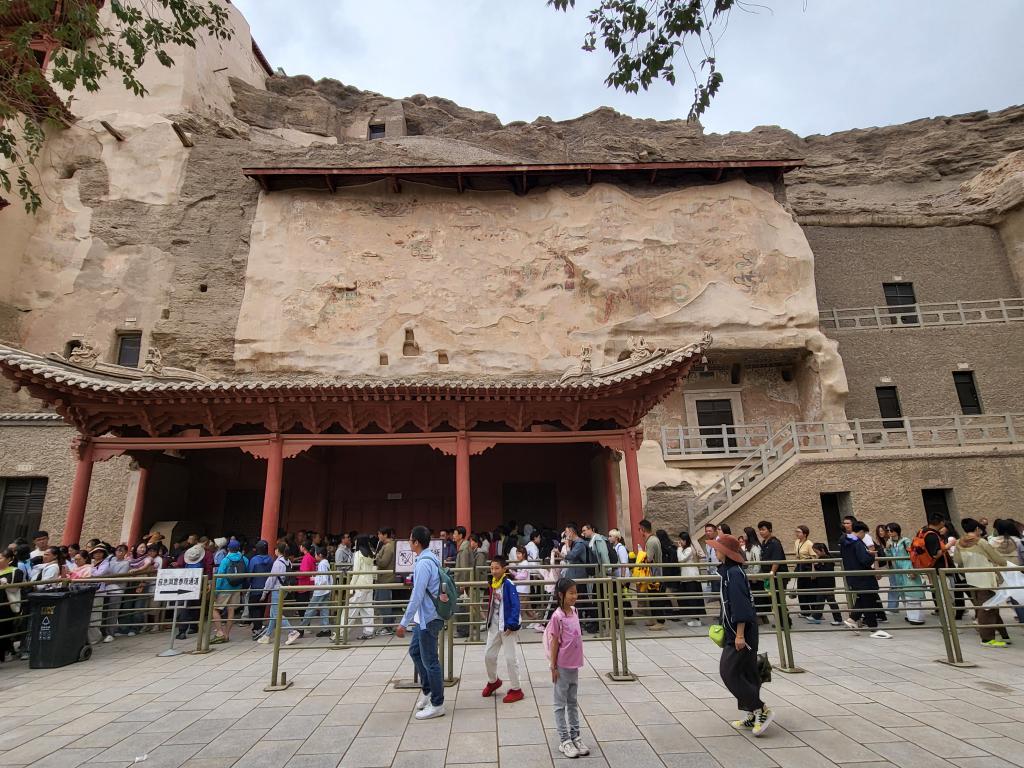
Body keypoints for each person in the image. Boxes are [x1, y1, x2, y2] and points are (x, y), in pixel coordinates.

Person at [708, 534, 774, 737]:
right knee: (745, 672)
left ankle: (760, 709)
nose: (715, 551)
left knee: (729, 672)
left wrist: (739, 635)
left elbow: (741, 606)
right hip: (735, 630)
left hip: (742, 632)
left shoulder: (734, 574)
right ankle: (752, 712)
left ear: (726, 553)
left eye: (718, 548)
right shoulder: (728, 572)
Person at [397, 525, 445, 720]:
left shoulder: (423, 563)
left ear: (416, 542)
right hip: (424, 617)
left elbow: (417, 596)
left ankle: (437, 703)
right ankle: (428, 690)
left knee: (430, 661)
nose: (409, 542)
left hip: (429, 617)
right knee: (415, 651)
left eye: (410, 539)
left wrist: (403, 622)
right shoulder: (428, 559)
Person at [547, 577, 589, 758]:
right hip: (562, 667)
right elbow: (554, 642)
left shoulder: (574, 611)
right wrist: (553, 666)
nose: (574, 596)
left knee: (572, 702)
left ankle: (575, 736)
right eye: (571, 593)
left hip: (574, 666)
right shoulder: (557, 616)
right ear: (561, 595)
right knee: (559, 704)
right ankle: (564, 740)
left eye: (575, 592)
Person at [954, 517, 1009, 648]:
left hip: (971, 579)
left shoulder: (958, 543)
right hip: (985, 578)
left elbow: (958, 561)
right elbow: (996, 558)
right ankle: (987, 639)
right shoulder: (981, 542)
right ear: (977, 529)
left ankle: (1004, 634)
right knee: (987, 609)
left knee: (990, 606)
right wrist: (1009, 566)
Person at [481, 555, 524, 703]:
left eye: (497, 568)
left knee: (511, 658)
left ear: (504, 569)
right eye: (492, 568)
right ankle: (493, 681)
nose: (493, 571)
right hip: (494, 625)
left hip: (507, 627)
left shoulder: (509, 584)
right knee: (488, 655)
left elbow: (515, 605)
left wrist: (512, 624)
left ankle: (516, 688)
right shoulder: (492, 582)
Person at [841, 522, 890, 639]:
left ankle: (852, 619)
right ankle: (873, 628)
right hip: (863, 576)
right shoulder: (857, 543)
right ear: (861, 531)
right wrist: (871, 555)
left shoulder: (844, 542)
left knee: (864, 598)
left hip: (853, 575)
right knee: (868, 599)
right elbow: (864, 560)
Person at [884, 523, 924, 625]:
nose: (889, 533)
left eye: (891, 531)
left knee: (912, 592)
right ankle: (910, 616)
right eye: (887, 531)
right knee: (904, 593)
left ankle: (917, 618)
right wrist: (887, 548)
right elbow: (889, 556)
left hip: (908, 568)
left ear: (897, 530)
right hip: (898, 571)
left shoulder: (906, 541)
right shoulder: (890, 542)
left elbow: (913, 555)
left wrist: (914, 570)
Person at [291, 545, 332, 642]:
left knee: (310, 609)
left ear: (320, 555)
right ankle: (326, 629)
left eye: (316, 554)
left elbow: (323, 579)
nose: (315, 556)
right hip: (326, 589)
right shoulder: (325, 563)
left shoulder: (322, 564)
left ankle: (301, 628)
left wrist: (315, 580)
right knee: (324, 609)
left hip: (320, 590)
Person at [211, 539, 249, 644]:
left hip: (224, 588)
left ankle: (219, 632)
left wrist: (216, 591)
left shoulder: (226, 560)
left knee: (215, 609)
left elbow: (220, 577)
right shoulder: (244, 559)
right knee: (231, 611)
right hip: (237, 588)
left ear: (228, 549)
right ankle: (227, 634)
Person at [257, 543, 294, 644]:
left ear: (278, 550)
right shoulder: (288, 562)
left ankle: (292, 631)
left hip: (277, 589)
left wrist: (265, 592)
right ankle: (267, 635)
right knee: (274, 614)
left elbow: (272, 578)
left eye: (275, 549)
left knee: (277, 614)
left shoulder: (277, 563)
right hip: (285, 589)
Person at [989, 519, 1024, 624]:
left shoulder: (991, 542)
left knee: (1014, 597)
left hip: (1003, 574)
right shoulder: (1018, 541)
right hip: (1019, 572)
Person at [757, 521, 789, 628]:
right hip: (769, 575)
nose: (761, 532)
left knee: (779, 599)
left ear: (770, 530)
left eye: (764, 529)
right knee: (774, 600)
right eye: (760, 530)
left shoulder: (775, 542)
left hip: (777, 576)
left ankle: (785, 622)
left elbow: (777, 559)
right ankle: (782, 621)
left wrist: (772, 572)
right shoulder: (764, 542)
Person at [346, 535, 377, 641]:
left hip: (360, 584)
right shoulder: (371, 554)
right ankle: (369, 631)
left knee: (352, 609)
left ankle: (342, 632)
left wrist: (350, 587)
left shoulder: (358, 554)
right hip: (369, 584)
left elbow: (356, 572)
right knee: (367, 608)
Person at [639, 519, 667, 630]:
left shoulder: (651, 541)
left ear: (643, 529)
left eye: (639, 530)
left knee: (656, 598)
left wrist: (641, 555)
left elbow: (649, 558)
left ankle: (660, 621)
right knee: (652, 597)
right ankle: (654, 619)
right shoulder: (653, 539)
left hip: (655, 575)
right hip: (654, 574)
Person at [807, 543, 843, 625]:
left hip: (827, 583)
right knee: (820, 600)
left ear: (822, 550)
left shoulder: (826, 559)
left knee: (831, 601)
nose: (816, 554)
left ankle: (838, 619)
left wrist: (816, 564)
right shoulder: (821, 558)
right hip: (823, 583)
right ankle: (816, 616)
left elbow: (826, 570)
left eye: (817, 552)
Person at [0, 549, 25, 662]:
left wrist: (5, 583)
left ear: (9, 559)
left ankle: (5, 652)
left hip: (6, 605)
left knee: (4, 628)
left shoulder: (16, 571)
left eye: (1, 558)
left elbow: (15, 588)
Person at [740, 527, 768, 623]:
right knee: (754, 597)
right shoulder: (748, 547)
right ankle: (760, 616)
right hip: (750, 575)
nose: (743, 536)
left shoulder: (755, 547)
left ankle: (760, 617)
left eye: (745, 534)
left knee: (758, 597)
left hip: (755, 577)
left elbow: (757, 563)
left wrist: (754, 576)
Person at [247, 540, 274, 640]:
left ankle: (257, 628)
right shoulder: (271, 560)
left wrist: (249, 583)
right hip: (266, 588)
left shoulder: (254, 560)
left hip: (255, 588)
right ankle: (258, 627)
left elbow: (250, 573)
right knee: (262, 608)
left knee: (253, 608)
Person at [676, 531, 703, 627]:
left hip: (691, 576)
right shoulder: (685, 549)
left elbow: (681, 559)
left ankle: (696, 619)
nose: (680, 542)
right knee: (689, 598)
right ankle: (693, 618)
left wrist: (679, 548)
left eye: (682, 540)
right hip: (686, 577)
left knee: (693, 598)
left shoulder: (689, 549)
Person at [374, 528, 398, 633]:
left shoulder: (388, 546)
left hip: (386, 578)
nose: (378, 536)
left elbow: (383, 562)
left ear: (385, 535)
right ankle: (389, 622)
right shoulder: (391, 545)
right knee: (382, 601)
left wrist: (376, 559)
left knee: (384, 602)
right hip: (386, 577)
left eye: (379, 534)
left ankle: (388, 625)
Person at [792, 526, 816, 619]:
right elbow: (797, 555)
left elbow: (814, 557)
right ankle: (805, 611)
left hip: (808, 567)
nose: (797, 533)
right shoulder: (796, 542)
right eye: (796, 531)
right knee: (800, 589)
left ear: (805, 534)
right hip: (800, 567)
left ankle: (814, 611)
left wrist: (813, 572)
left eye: (799, 532)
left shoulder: (809, 544)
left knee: (809, 589)